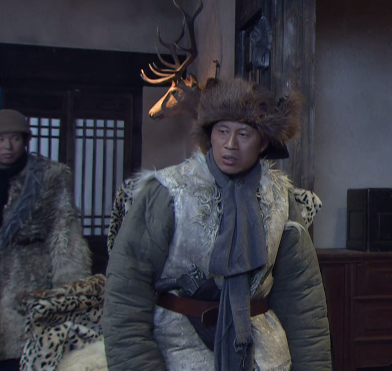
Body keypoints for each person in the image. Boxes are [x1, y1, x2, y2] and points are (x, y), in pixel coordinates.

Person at [103, 77, 331, 371]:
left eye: (244, 134)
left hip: (263, 355)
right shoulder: (169, 192)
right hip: (178, 352)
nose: (230, 144)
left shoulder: (281, 200)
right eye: (222, 131)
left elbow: (303, 299)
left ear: (263, 142)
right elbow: (126, 292)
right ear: (209, 133)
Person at [0, 109, 91, 370]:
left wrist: (67, 289)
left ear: (25, 141)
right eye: (0, 139)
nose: (7, 146)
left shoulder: (49, 177)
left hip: (29, 280)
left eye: (14, 138)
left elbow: (64, 230)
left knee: (23, 356)